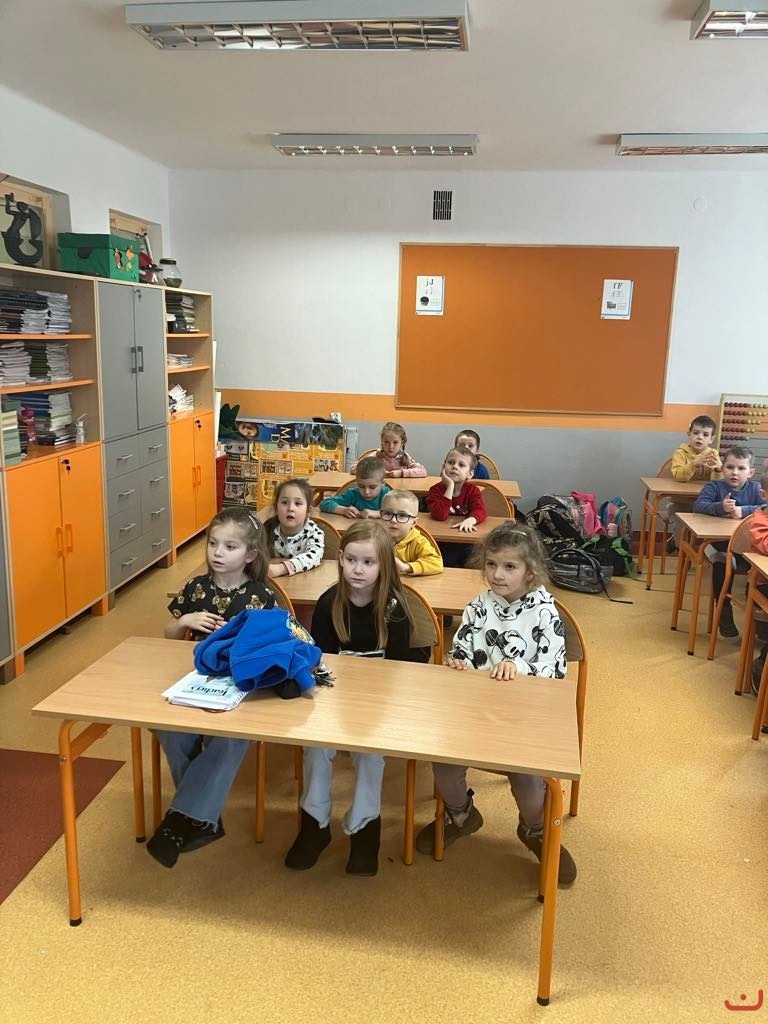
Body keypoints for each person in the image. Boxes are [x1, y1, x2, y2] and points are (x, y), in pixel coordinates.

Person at [414, 523, 577, 885]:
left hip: (524, 718)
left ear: (530, 571)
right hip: (475, 712)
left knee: (528, 780)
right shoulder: (479, 605)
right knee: (442, 764)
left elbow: (554, 671)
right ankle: (461, 814)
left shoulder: (545, 611)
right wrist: (458, 661)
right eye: (491, 565)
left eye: (509, 567)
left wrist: (518, 667)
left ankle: (535, 830)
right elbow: (463, 647)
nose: (497, 574)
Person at [284, 521, 429, 876]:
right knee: (315, 748)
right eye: (351, 560)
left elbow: (397, 671)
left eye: (368, 562)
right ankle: (315, 824)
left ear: (384, 566)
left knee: (370, 755)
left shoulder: (394, 608)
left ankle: (365, 829)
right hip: (333, 700)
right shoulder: (328, 603)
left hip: (378, 705)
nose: (358, 570)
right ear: (341, 559)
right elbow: (320, 662)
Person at [148, 507, 276, 868]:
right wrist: (185, 621)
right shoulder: (195, 587)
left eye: (230, 547)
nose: (218, 553)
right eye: (213, 543)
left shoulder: (261, 595)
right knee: (167, 727)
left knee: (230, 737)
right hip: (193, 679)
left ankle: (181, 820)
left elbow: (268, 648)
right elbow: (168, 635)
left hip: (239, 685)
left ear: (250, 554)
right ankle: (202, 816)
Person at [693, 445, 763, 639]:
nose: (735, 472)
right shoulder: (714, 487)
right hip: (717, 544)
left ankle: (756, 616)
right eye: (730, 467)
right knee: (723, 561)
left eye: (741, 468)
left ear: (751, 472)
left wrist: (744, 510)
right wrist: (720, 507)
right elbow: (699, 505)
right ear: (722, 468)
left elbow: (766, 506)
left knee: (757, 568)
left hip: (745, 547)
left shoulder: (756, 489)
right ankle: (723, 609)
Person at [663, 415, 722, 550]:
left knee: (714, 525)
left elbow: (717, 484)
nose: (700, 437)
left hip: (704, 504)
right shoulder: (680, 453)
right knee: (680, 529)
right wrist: (694, 464)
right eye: (696, 433)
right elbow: (679, 476)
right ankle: (680, 548)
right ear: (689, 435)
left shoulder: (713, 454)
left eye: (705, 434)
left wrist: (718, 469)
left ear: (711, 439)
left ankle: (700, 553)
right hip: (681, 503)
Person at [426, 445, 487, 568]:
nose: (455, 467)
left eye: (461, 465)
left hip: (465, 541)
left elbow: (480, 510)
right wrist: (450, 486)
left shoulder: (472, 491)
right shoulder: (435, 490)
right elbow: (440, 515)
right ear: (443, 467)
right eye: (451, 462)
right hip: (440, 541)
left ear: (470, 474)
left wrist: (471, 520)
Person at [262, 478, 325, 578]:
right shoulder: (266, 529)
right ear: (276, 508)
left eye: (298, 503)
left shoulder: (314, 533)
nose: (290, 508)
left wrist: (282, 568)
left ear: (308, 511)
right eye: (284, 502)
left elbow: (314, 556)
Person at [381, 489, 443, 576]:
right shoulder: (374, 538)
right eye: (388, 514)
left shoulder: (418, 542)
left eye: (402, 515)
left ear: (413, 522)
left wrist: (407, 567)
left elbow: (436, 563)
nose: (393, 520)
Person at [747, 468, 768, 691]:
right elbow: (765, 545)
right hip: (762, 586)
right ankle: (761, 665)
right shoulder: (760, 520)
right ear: (764, 495)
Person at [318, 456, 390, 518]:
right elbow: (324, 503)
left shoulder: (387, 495)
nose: (366, 492)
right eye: (361, 486)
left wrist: (377, 513)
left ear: (383, 483)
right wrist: (343, 510)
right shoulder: (353, 494)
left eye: (372, 487)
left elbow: (396, 512)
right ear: (357, 482)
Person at [350, 421, 427, 478]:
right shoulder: (376, 456)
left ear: (402, 442)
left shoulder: (405, 457)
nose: (391, 447)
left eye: (395, 442)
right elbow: (353, 468)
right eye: (386, 442)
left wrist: (401, 473)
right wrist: (376, 472)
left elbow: (423, 471)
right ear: (382, 441)